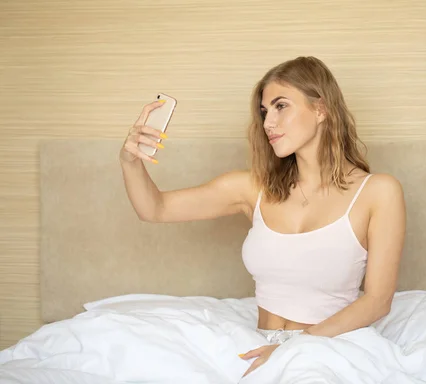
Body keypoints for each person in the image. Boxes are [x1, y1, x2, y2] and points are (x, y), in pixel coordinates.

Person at [119, 56, 406, 377]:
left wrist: (296, 346)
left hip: (328, 346)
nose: (268, 122)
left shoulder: (379, 191)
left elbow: (378, 300)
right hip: (259, 342)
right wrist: (130, 161)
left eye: (281, 106)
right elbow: (154, 209)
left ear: (321, 109)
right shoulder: (252, 187)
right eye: (264, 111)